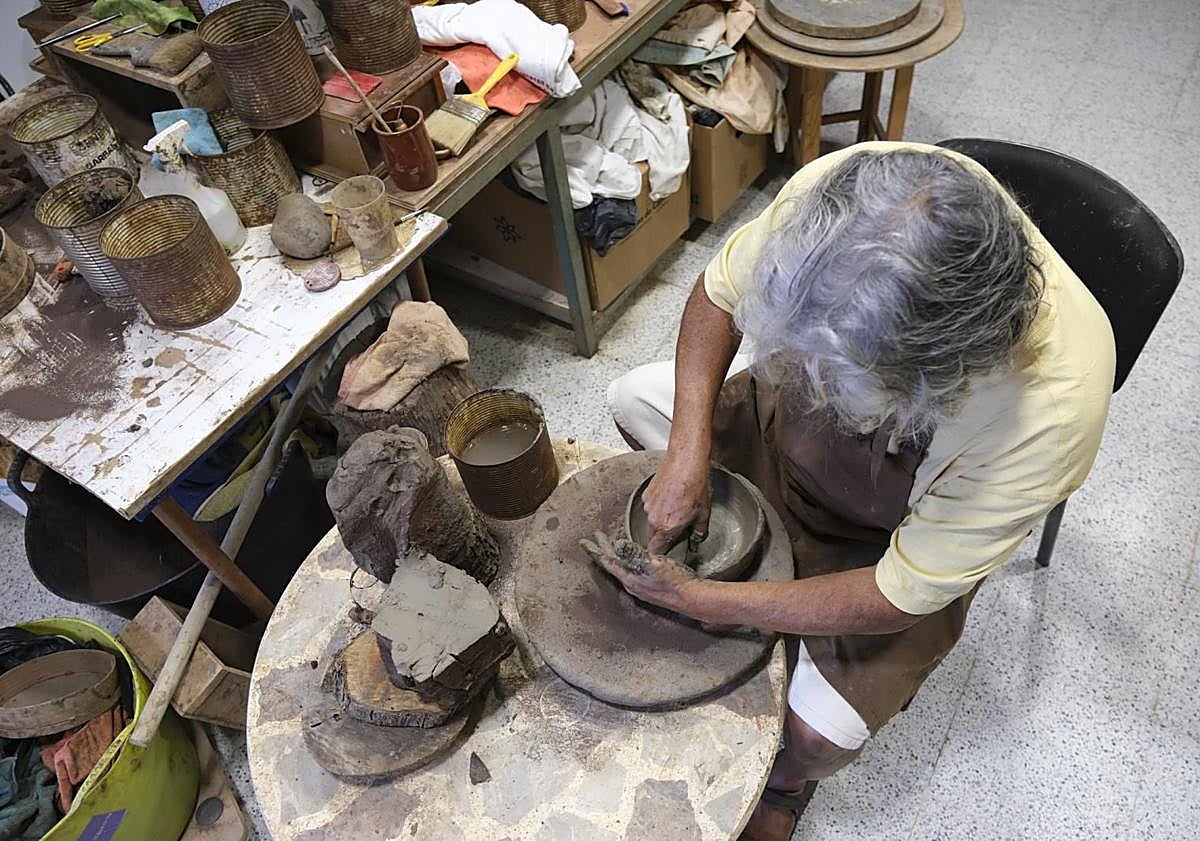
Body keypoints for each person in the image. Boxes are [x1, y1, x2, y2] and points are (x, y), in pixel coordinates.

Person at [593, 141, 1115, 840]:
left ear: (930, 377)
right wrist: (689, 451)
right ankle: (763, 570)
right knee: (633, 399)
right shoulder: (847, 206)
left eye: (837, 381)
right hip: (792, 435)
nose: (820, 385)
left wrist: (703, 598)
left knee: (813, 735)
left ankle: (782, 785)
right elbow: (718, 295)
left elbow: (898, 591)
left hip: (891, 535)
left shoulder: (1046, 413)